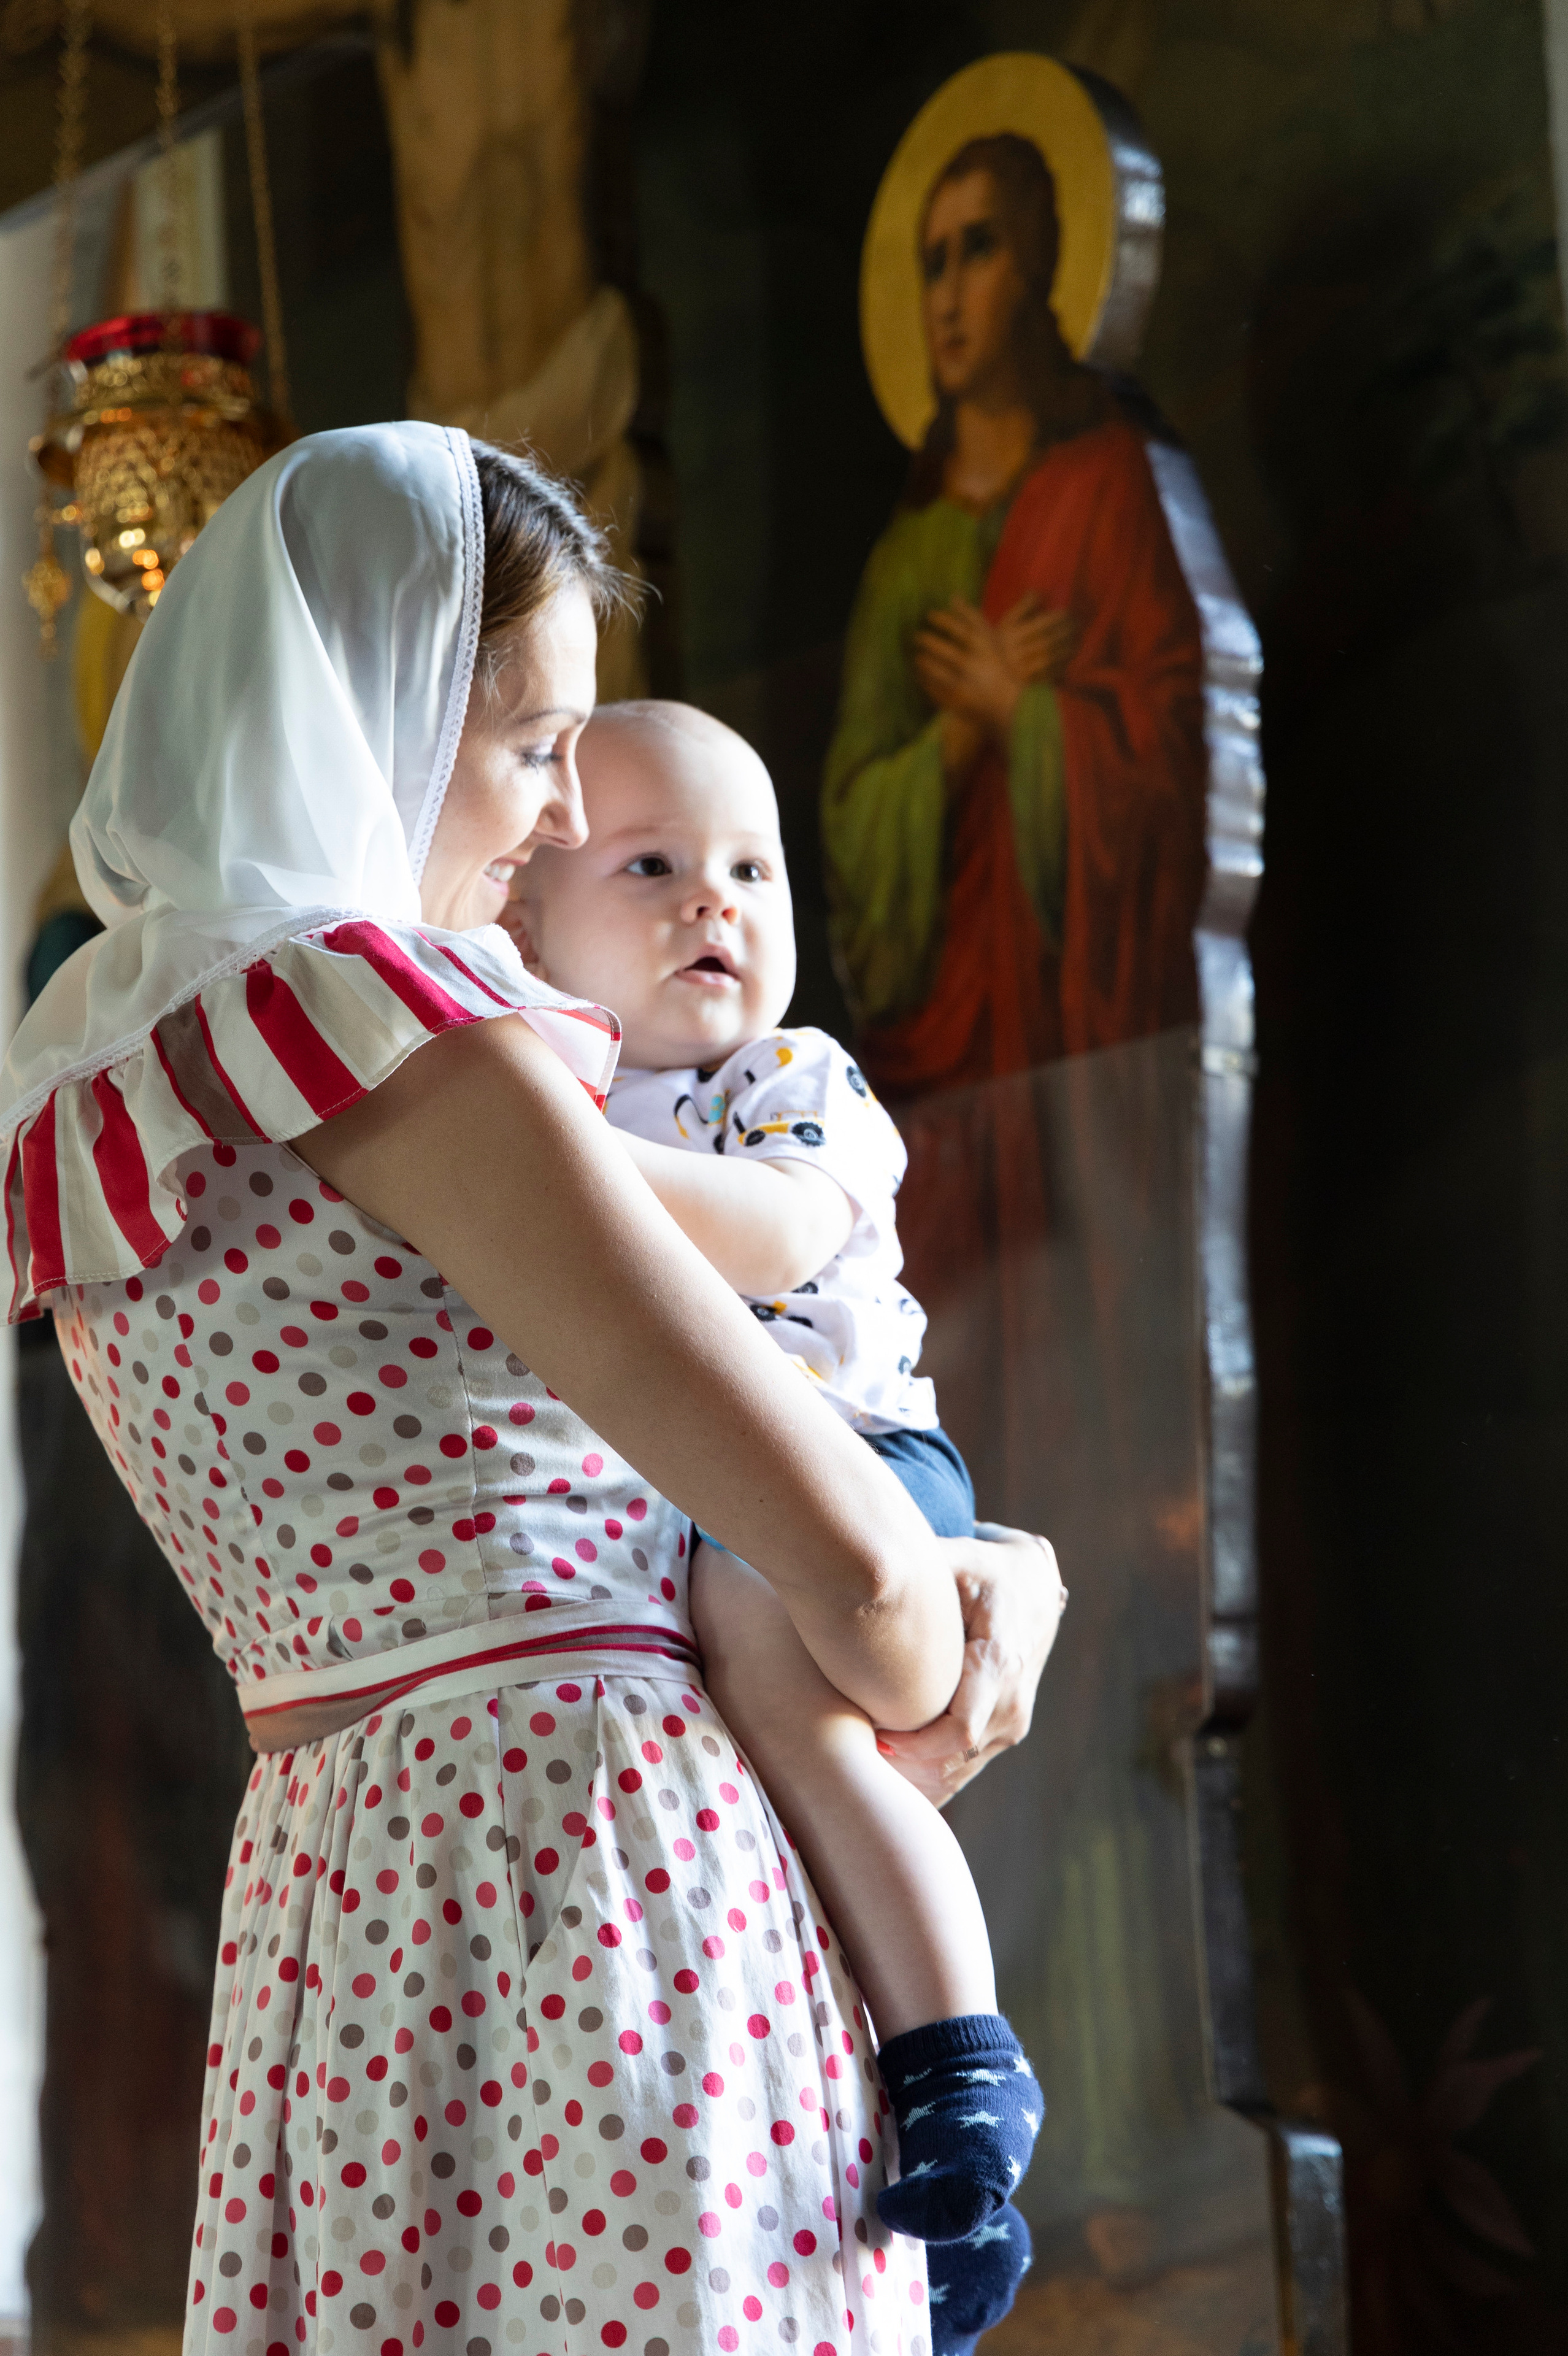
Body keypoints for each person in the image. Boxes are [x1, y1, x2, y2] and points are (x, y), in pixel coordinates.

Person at [0, 424, 1063, 2356]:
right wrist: (973, 1598)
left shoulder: (109, 1085)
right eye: (529, 744)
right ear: (382, 716)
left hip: (335, 1906)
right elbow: (873, 1606)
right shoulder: (420, 1044)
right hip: (602, 1874)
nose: (567, 817)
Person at [509, 699, 1062, 2322]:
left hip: (855, 1461)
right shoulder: (550, 1084)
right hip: (695, 1506)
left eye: (754, 867)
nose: (718, 902)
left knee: (787, 1689)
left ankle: (966, 2063)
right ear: (525, 918)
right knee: (770, 1796)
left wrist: (535, 1149)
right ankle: (935, 2190)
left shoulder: (785, 1077)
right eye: (656, 864)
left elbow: (769, 1236)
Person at [821, 131, 1206, 1101]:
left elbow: (1185, 753)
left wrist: (1022, 712)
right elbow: (852, 822)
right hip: (945, 1056)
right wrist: (960, 733)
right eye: (933, 262)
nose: (947, 297)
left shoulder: (1113, 487)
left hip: (1097, 1035)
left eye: (980, 249)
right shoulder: (904, 557)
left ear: (1038, 267)